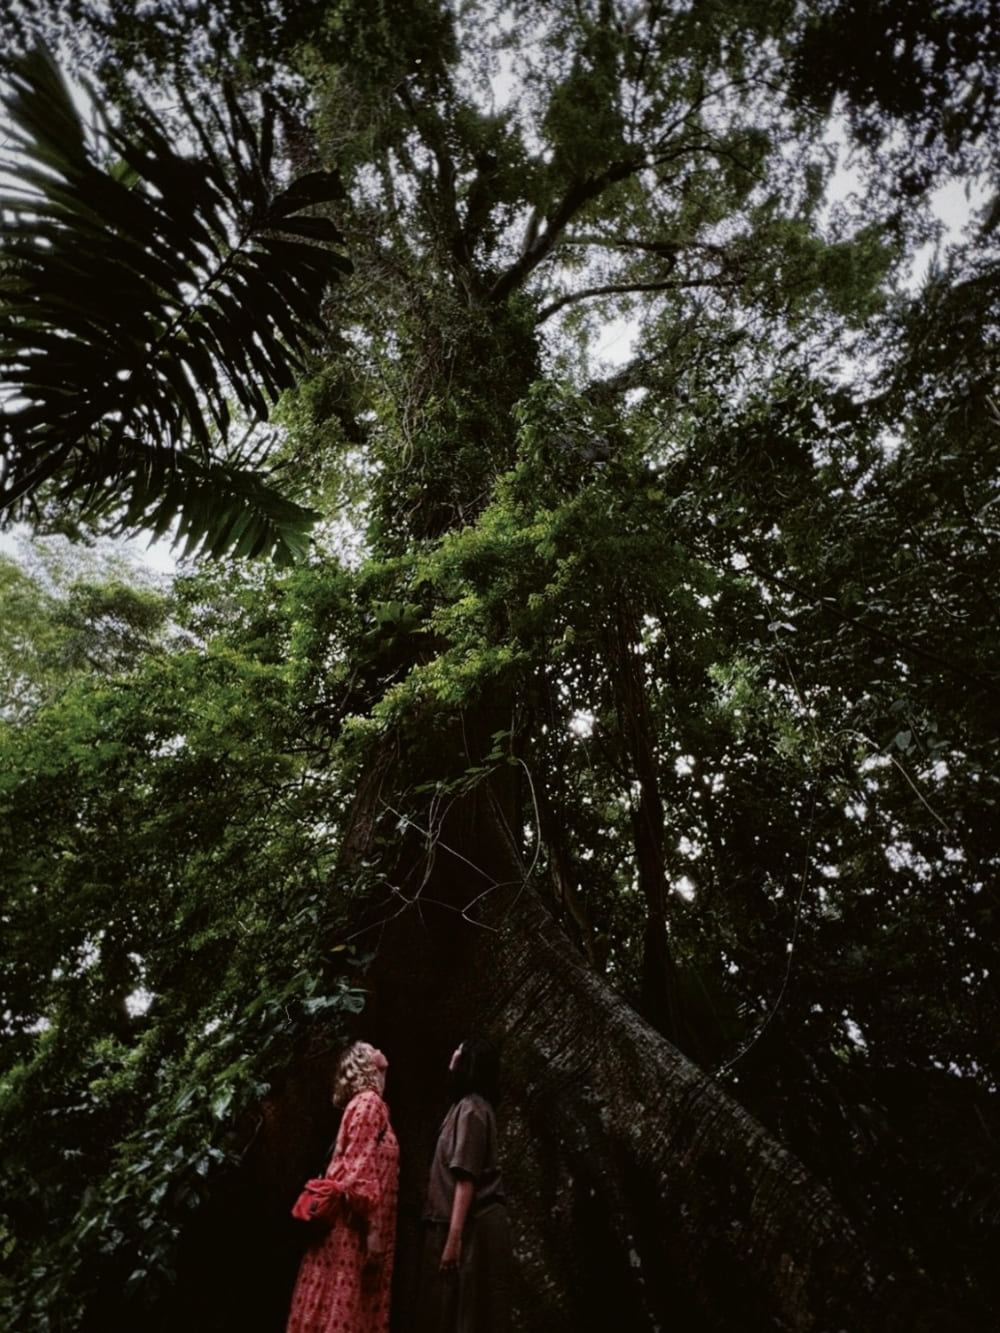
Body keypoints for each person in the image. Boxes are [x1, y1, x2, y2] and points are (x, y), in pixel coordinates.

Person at [286, 1041, 399, 1333]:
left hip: (353, 1229)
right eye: (370, 1047)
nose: (378, 1048)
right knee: (341, 1307)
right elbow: (359, 1172)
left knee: (339, 1306)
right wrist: (374, 1234)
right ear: (364, 1062)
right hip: (352, 1232)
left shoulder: (369, 1105)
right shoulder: (369, 1103)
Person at [416, 1036, 511, 1333]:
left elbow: (466, 1179)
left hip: (467, 1229)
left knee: (464, 1314)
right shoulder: (464, 1107)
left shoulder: (471, 1109)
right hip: (458, 1226)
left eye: (459, 1050)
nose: (453, 1053)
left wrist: (453, 1242)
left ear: (468, 1063)